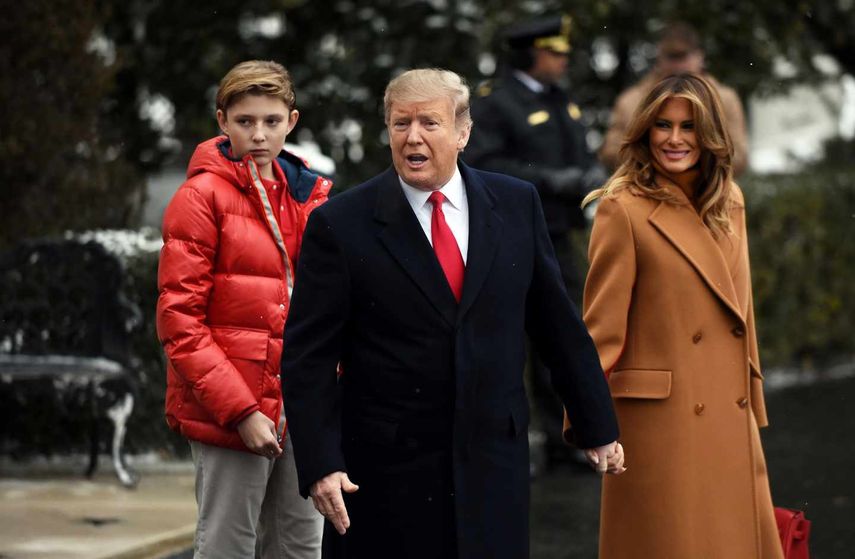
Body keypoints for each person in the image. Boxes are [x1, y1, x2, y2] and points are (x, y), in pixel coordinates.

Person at [281, 68, 623, 559]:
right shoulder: (341, 224)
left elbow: (556, 326)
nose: (412, 137)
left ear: (463, 132)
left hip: (493, 462)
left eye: (429, 123)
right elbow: (307, 358)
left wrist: (596, 424)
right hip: (383, 473)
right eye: (400, 124)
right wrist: (320, 464)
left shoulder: (515, 204)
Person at [574, 73, 783, 558]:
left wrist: (752, 399)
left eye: (689, 127)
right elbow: (601, 330)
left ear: (709, 133)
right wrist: (590, 422)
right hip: (660, 427)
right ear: (644, 131)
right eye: (662, 125)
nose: (674, 139)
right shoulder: (621, 209)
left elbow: (741, 314)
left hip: (729, 414)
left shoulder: (730, 200)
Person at [156, 60, 330, 558]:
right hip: (230, 410)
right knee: (229, 544)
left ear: (291, 122)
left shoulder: (311, 198)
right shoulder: (200, 197)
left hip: (301, 405)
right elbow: (180, 322)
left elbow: (329, 310)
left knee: (301, 544)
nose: (258, 134)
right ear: (222, 121)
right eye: (245, 121)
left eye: (271, 122)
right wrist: (241, 411)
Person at [464, 15, 609, 470]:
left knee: (561, 333)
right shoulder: (495, 102)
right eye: (555, 51)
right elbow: (485, 163)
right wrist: (553, 179)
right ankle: (507, 440)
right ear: (531, 52)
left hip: (559, 232)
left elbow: (579, 152)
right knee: (507, 340)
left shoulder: (559, 98)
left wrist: (588, 177)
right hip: (510, 235)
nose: (563, 60)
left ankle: (562, 436)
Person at [600, 21, 749, 176]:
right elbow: (610, 153)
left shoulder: (725, 99)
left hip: (709, 194)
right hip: (645, 191)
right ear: (659, 57)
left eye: (683, 56)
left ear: (700, 57)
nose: (677, 65)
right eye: (671, 57)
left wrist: (690, 164)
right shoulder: (631, 100)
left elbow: (739, 157)